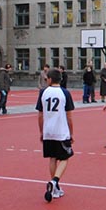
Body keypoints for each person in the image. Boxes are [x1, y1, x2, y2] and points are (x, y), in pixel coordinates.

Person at [36, 68, 75, 202]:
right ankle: (55, 181)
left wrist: (41, 131)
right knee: (65, 157)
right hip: (61, 131)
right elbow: (69, 116)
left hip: (48, 131)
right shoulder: (65, 93)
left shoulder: (43, 92)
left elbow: (40, 115)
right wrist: (71, 133)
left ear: (50, 79)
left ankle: (56, 188)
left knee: (52, 158)